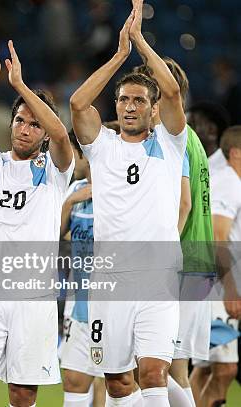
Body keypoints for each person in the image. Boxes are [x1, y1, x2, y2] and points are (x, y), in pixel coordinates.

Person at [69, 1, 187, 405]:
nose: (130, 106)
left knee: (154, 371)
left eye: (139, 101)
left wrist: (138, 42)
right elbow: (78, 105)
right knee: (118, 380)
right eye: (124, 100)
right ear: (116, 107)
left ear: (154, 109)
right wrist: (119, 55)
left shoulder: (171, 144)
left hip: (158, 272)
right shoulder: (102, 146)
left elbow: (171, 88)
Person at [0, 32, 74, 407]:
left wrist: (21, 85)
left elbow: (61, 134)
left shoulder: (55, 170)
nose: (25, 128)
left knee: (22, 394)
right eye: (20, 120)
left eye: (33, 124)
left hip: (33, 296)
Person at [135, 56, 214, 407]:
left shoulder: (172, 139)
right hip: (198, 262)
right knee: (172, 370)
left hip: (181, 264)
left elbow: (183, 205)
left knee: (163, 371)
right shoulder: (191, 140)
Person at [190, 126, 241, 407]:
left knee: (207, 367)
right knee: (225, 368)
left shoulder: (227, 180)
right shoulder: (229, 183)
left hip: (213, 286)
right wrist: (231, 289)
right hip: (219, 289)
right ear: (235, 153)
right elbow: (218, 236)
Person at [59, 132, 108, 407]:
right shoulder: (74, 187)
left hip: (111, 302)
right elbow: (56, 235)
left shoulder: (118, 189)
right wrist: (69, 203)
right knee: (75, 380)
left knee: (117, 381)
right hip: (78, 304)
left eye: (73, 152)